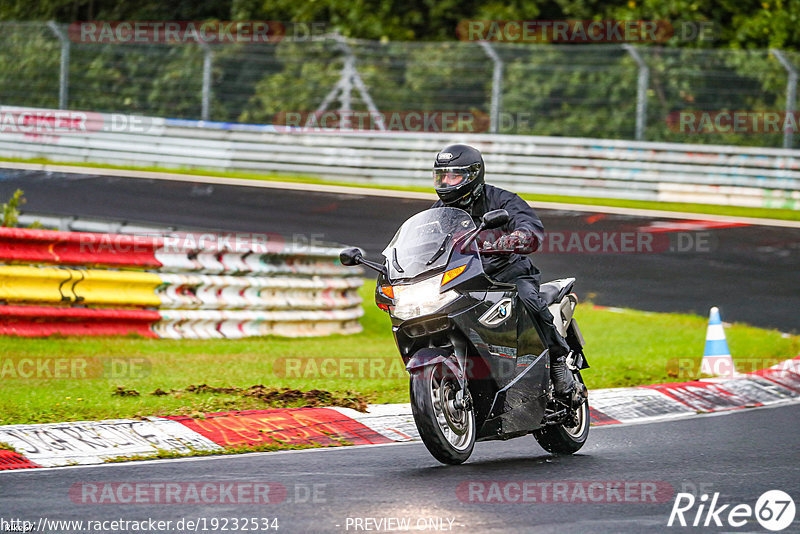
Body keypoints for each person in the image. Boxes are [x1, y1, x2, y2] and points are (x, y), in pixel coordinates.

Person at [431, 143, 576, 398]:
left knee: (529, 299)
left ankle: (557, 359)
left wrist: (518, 237)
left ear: (473, 174)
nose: (446, 182)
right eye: (442, 176)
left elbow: (529, 225)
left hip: (510, 273)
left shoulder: (502, 199)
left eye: (453, 175)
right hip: (468, 279)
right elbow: (424, 244)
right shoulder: (438, 213)